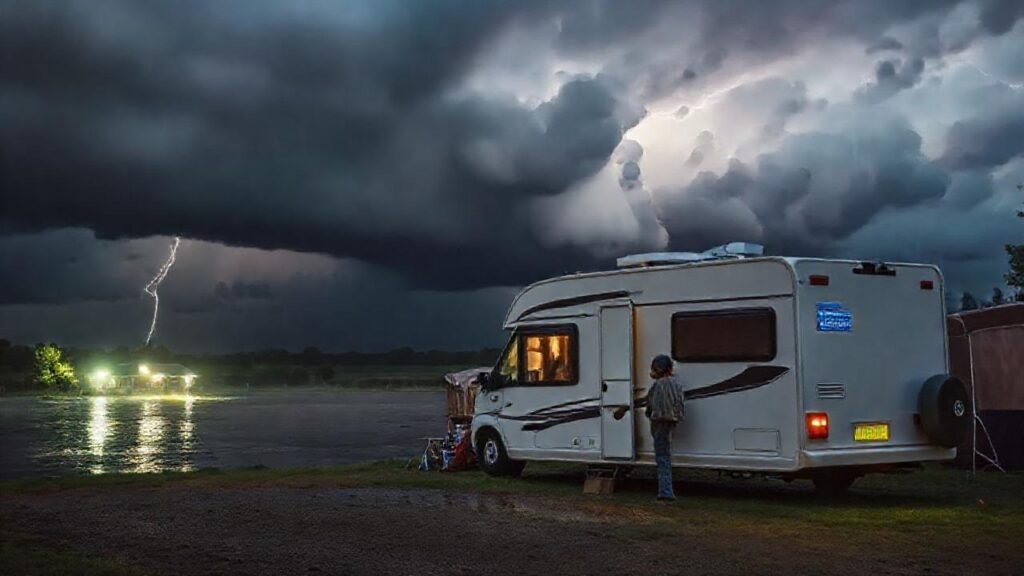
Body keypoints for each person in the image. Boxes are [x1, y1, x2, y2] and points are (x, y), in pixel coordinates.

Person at [645, 354, 685, 501]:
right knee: (665, 455)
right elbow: (680, 404)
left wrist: (649, 414)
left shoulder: (657, 385)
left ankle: (666, 492)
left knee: (662, 458)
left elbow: (650, 406)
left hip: (659, 422)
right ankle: (666, 490)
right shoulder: (677, 384)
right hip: (671, 422)